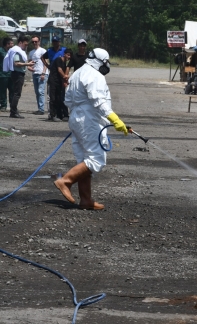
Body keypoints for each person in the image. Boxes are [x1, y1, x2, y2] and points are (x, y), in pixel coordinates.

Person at [54, 48, 128, 210]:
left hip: (76, 118)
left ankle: (86, 200)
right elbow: (99, 101)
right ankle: (65, 181)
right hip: (89, 119)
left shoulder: (77, 73)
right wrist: (115, 119)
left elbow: (67, 99)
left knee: (84, 159)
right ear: (100, 62)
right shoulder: (95, 76)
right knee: (96, 159)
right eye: (105, 63)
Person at [2, 35, 34, 119]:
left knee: (16, 93)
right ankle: (13, 111)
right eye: (25, 44)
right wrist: (28, 64)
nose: (26, 46)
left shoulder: (19, 51)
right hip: (17, 74)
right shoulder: (17, 51)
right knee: (17, 93)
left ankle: (14, 110)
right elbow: (16, 63)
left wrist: (28, 66)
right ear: (20, 43)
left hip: (18, 73)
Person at [47, 48, 72, 121]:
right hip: (53, 81)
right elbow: (59, 70)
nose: (69, 57)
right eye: (68, 55)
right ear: (64, 54)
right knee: (53, 98)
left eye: (70, 56)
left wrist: (64, 80)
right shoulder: (59, 60)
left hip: (58, 82)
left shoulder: (64, 62)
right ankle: (52, 115)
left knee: (58, 98)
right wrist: (65, 77)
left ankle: (59, 114)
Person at [28, 36, 48, 115]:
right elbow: (29, 63)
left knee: (41, 91)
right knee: (37, 92)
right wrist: (29, 68)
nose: (34, 43)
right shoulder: (31, 52)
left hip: (42, 73)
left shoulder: (43, 51)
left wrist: (43, 73)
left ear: (39, 42)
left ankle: (42, 109)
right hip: (35, 73)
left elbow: (46, 63)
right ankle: (39, 108)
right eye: (33, 42)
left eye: (36, 41)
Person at [0, 37, 14, 112]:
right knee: (2, 91)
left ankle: (12, 105)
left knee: (12, 90)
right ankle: (3, 105)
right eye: (11, 43)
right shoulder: (1, 51)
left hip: (11, 74)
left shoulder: (12, 51)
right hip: (2, 75)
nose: (12, 45)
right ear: (7, 44)